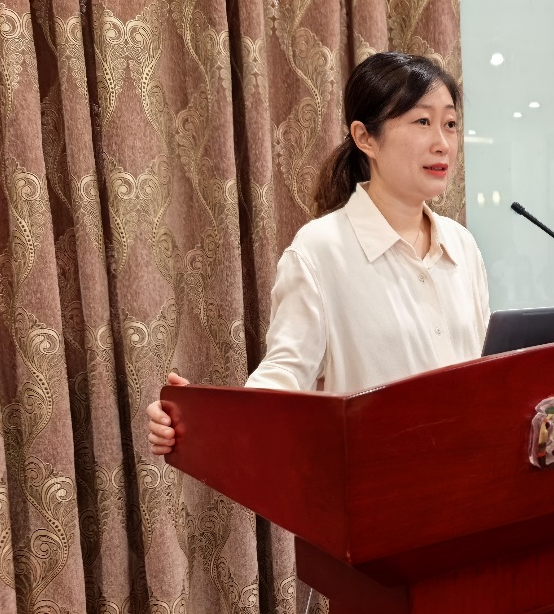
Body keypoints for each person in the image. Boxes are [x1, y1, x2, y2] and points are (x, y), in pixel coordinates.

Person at [146, 52, 489, 455]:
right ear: (365, 138)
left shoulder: (461, 244)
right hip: (380, 483)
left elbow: (487, 369)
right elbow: (283, 379)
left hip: (475, 474)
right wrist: (198, 421)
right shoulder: (320, 250)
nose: (443, 144)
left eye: (450, 124)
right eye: (422, 122)